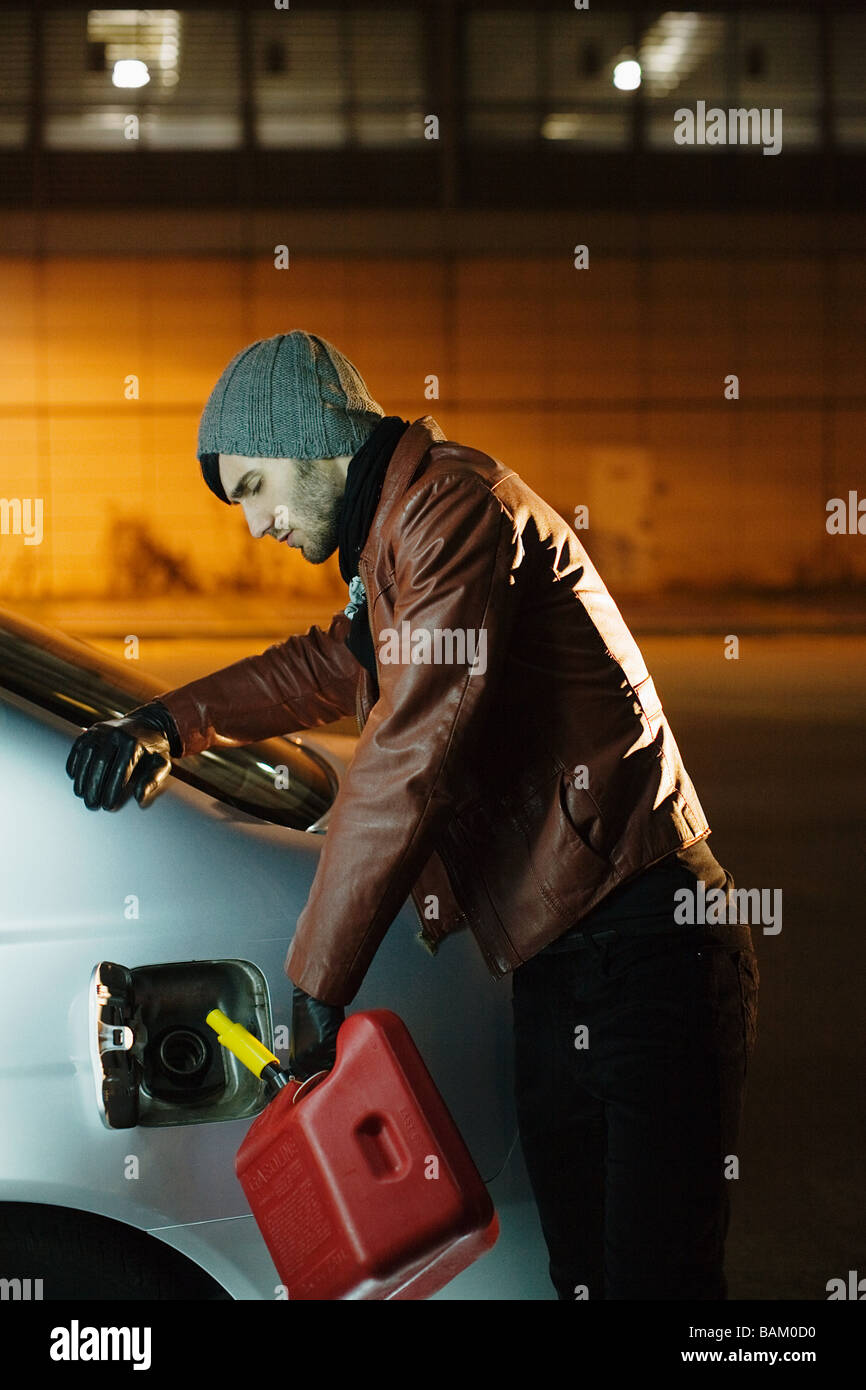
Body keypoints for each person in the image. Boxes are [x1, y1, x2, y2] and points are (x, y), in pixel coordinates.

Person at [65, 330, 759, 1300]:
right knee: (585, 1279)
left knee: (657, 1287)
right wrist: (168, 721)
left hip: (647, 947)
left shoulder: (454, 513)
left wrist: (316, 977)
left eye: (255, 488)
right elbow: (334, 666)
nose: (255, 525)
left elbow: (407, 748)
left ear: (315, 445)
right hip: (568, 961)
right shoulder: (395, 538)